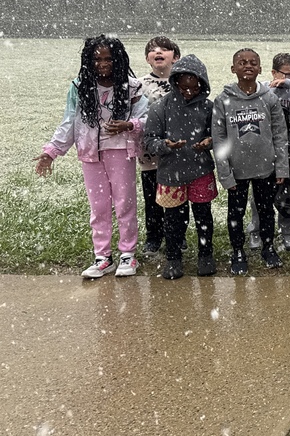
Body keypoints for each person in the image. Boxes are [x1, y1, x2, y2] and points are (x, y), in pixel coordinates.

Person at [34, 36, 148, 279]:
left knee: (125, 203)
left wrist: (129, 124)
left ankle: (128, 254)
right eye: (97, 59)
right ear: (88, 61)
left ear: (118, 59)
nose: (103, 64)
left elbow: (148, 118)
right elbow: (69, 122)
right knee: (98, 207)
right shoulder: (79, 87)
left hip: (120, 152)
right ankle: (102, 257)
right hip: (90, 154)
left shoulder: (132, 86)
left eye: (108, 59)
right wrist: (51, 151)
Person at [212, 48, 289, 275]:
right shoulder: (223, 100)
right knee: (235, 213)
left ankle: (268, 247)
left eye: (253, 63)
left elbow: (279, 134)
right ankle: (238, 251)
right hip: (237, 170)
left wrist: (281, 166)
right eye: (242, 62)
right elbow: (219, 139)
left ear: (260, 68)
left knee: (266, 210)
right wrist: (225, 173)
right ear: (233, 68)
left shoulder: (269, 99)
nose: (248, 66)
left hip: (265, 168)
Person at [144, 54, 217, 279]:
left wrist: (210, 141)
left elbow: (218, 134)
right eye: (184, 87)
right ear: (175, 82)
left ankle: (205, 254)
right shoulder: (161, 107)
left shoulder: (208, 107)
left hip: (200, 170)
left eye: (193, 88)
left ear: (202, 85)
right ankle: (174, 257)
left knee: (203, 215)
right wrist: (165, 145)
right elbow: (148, 141)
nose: (188, 92)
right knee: (174, 218)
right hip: (170, 173)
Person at [247, 53, 290, 252]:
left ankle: (288, 231)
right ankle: (256, 230)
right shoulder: (264, 90)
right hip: (265, 149)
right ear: (273, 72)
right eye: (286, 74)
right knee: (260, 193)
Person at [138, 36, 180, 255]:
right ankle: (153, 236)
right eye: (153, 50)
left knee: (176, 199)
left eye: (165, 49)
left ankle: (177, 235)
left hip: (176, 155)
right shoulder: (139, 85)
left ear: (176, 57)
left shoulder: (182, 83)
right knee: (152, 198)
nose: (158, 52)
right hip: (150, 155)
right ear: (147, 58)